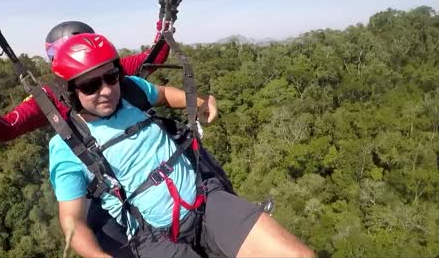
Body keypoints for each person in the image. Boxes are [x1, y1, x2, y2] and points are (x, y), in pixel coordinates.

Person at [48, 33, 315, 258]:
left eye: (111, 77)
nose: (106, 90)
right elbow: (72, 219)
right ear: (71, 92)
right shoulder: (68, 145)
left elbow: (163, 94)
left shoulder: (131, 91)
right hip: (151, 237)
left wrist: (200, 101)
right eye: (91, 85)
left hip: (204, 198)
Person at [0, 19, 170, 142]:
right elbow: (7, 129)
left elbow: (152, 58)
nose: (104, 86)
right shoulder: (49, 97)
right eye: (88, 85)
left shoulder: (113, 71)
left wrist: (165, 25)